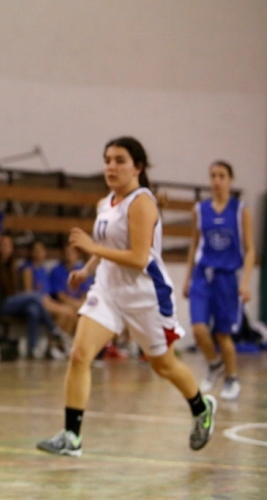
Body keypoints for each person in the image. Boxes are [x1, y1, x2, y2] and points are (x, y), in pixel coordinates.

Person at [36, 136, 217, 457]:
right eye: (107, 160)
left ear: (138, 167)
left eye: (119, 160)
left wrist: (92, 248)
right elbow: (108, 244)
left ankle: (201, 407)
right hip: (108, 291)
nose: (111, 166)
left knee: (163, 365)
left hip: (145, 296)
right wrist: (87, 269)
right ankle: (71, 437)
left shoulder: (142, 202)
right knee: (79, 354)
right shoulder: (105, 203)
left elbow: (137, 257)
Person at [183, 160, 254, 401]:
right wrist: (188, 278)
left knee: (223, 335)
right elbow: (194, 245)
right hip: (203, 275)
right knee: (198, 328)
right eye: (213, 175)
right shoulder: (200, 209)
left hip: (227, 278)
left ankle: (232, 377)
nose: (216, 180)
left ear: (230, 180)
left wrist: (245, 282)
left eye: (221, 175)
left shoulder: (240, 210)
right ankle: (214, 364)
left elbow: (250, 250)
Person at [0, 233, 66, 359]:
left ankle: (31, 349)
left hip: (10, 303)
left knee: (33, 310)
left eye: (8, 245)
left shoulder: (11, 266)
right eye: (3, 245)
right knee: (34, 296)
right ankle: (54, 329)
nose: (6, 249)